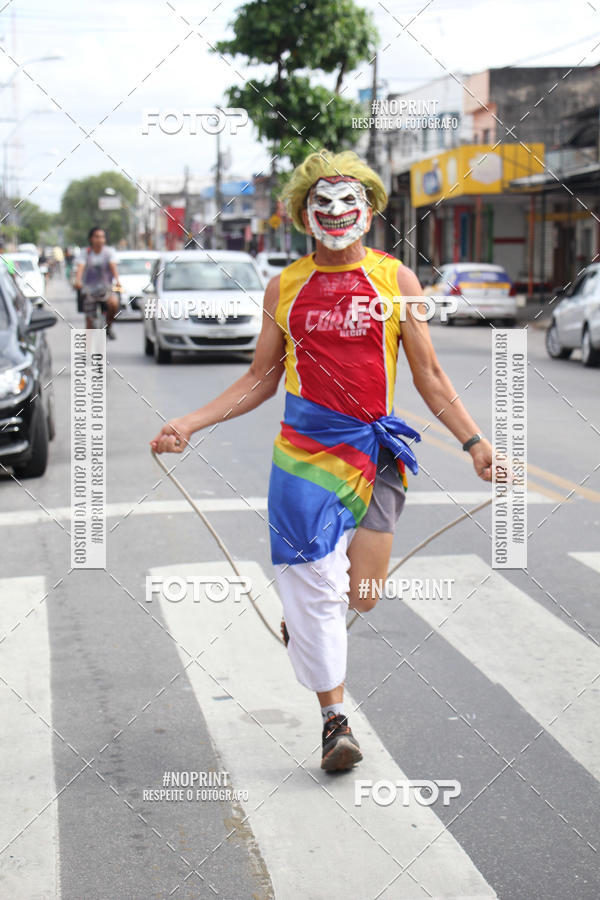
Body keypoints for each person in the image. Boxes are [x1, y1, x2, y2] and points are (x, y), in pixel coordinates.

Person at [150, 150, 493, 772]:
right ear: (304, 214)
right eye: (322, 203)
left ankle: (306, 618)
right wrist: (190, 423)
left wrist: (475, 444)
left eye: (347, 203)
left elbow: (431, 375)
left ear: (368, 211)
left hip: (376, 450)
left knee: (362, 594)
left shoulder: (398, 281)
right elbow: (260, 379)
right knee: (314, 585)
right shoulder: (285, 285)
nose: (335, 213)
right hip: (304, 453)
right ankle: (335, 720)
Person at [73, 227, 121, 337]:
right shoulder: (85, 253)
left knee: (114, 304)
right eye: (97, 237)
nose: (100, 239)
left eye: (102, 237)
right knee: (89, 321)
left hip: (106, 289)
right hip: (89, 290)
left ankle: (108, 326)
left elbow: (113, 267)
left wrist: (117, 281)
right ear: (91, 239)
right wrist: (78, 281)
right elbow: (80, 267)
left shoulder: (109, 252)